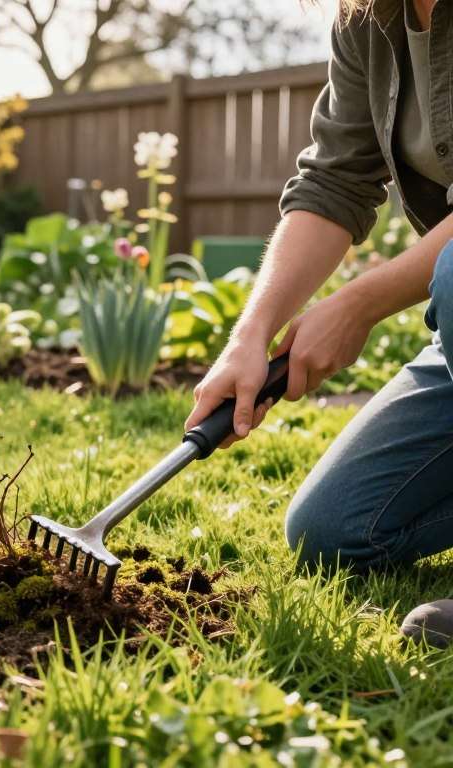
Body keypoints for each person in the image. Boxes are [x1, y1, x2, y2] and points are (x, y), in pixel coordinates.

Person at [185, 0, 453, 647]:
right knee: (335, 529)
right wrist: (248, 338)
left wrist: (357, 305)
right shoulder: (369, 19)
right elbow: (333, 182)